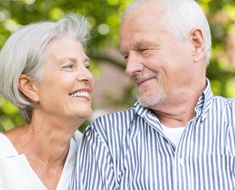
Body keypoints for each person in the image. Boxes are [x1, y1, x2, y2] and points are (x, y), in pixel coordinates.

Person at [70, 0, 235, 189]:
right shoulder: (106, 137)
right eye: (126, 56)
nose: (130, 68)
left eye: (144, 49)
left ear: (195, 44)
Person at [0, 13, 95, 190]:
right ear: (30, 86)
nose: (87, 76)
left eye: (86, 66)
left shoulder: (97, 155)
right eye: (69, 66)